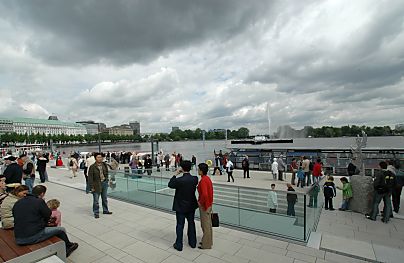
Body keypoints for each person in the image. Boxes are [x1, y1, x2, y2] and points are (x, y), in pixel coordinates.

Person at [12, 185, 78, 257]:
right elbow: (48, 214)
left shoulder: (18, 202)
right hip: (30, 237)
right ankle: (68, 247)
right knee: (61, 230)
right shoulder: (39, 201)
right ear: (42, 194)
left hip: (18, 236)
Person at [168, 160, 198, 251]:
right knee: (191, 223)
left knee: (180, 225)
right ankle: (192, 243)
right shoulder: (195, 179)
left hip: (180, 206)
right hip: (191, 205)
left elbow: (170, 184)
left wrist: (175, 174)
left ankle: (179, 244)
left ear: (181, 168)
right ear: (190, 168)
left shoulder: (179, 181)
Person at [88, 153, 112, 219]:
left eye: (101, 157)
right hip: (96, 185)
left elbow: (106, 172)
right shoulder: (92, 167)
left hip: (104, 183)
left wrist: (107, 180)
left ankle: (105, 210)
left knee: (104, 198)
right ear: (95, 158)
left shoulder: (104, 164)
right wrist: (92, 187)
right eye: (98, 157)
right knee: (96, 200)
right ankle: (96, 212)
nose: (100, 158)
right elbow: (90, 178)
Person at [197, 163, 213, 249]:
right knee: (208, 225)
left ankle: (206, 244)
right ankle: (208, 241)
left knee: (205, 225)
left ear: (202, 171)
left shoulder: (203, 181)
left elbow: (205, 195)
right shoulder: (207, 178)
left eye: (198, 169)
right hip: (209, 204)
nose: (197, 170)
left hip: (205, 206)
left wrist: (200, 202)